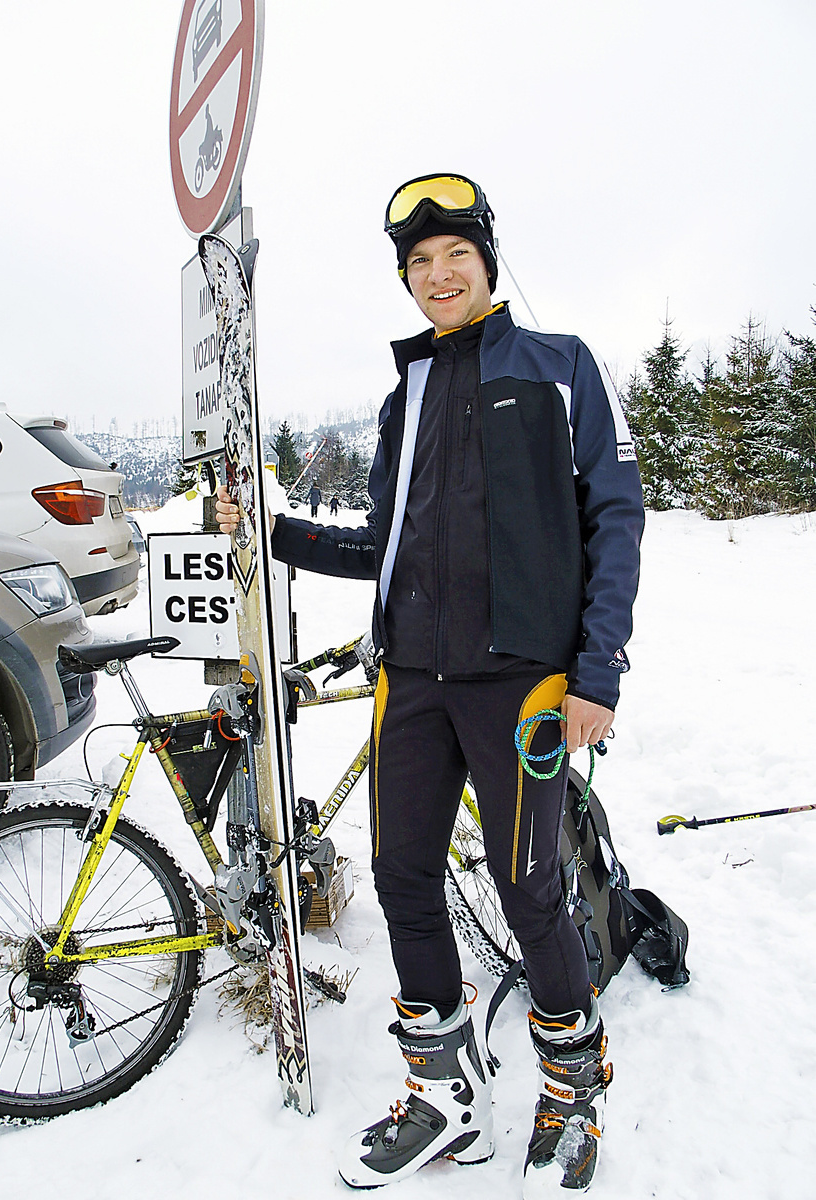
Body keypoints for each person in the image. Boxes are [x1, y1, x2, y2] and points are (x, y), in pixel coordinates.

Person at [215, 173, 644, 1194]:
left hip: (524, 689)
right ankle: (447, 1094)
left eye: (454, 255)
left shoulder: (558, 366)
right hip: (412, 680)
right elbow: (385, 545)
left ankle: (572, 1093)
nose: (438, 275)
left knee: (530, 889)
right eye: (419, 263)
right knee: (404, 876)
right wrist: (274, 531)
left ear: (487, 260)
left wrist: (598, 669)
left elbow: (614, 518)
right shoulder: (402, 396)